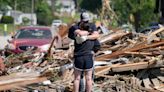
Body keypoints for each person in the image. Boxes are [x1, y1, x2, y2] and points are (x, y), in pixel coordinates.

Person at [68, 12, 99, 92]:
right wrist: (89, 32)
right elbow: (80, 33)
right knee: (84, 78)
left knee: (79, 78)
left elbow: (97, 35)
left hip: (83, 55)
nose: (86, 23)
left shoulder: (90, 26)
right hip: (82, 55)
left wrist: (87, 37)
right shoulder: (76, 27)